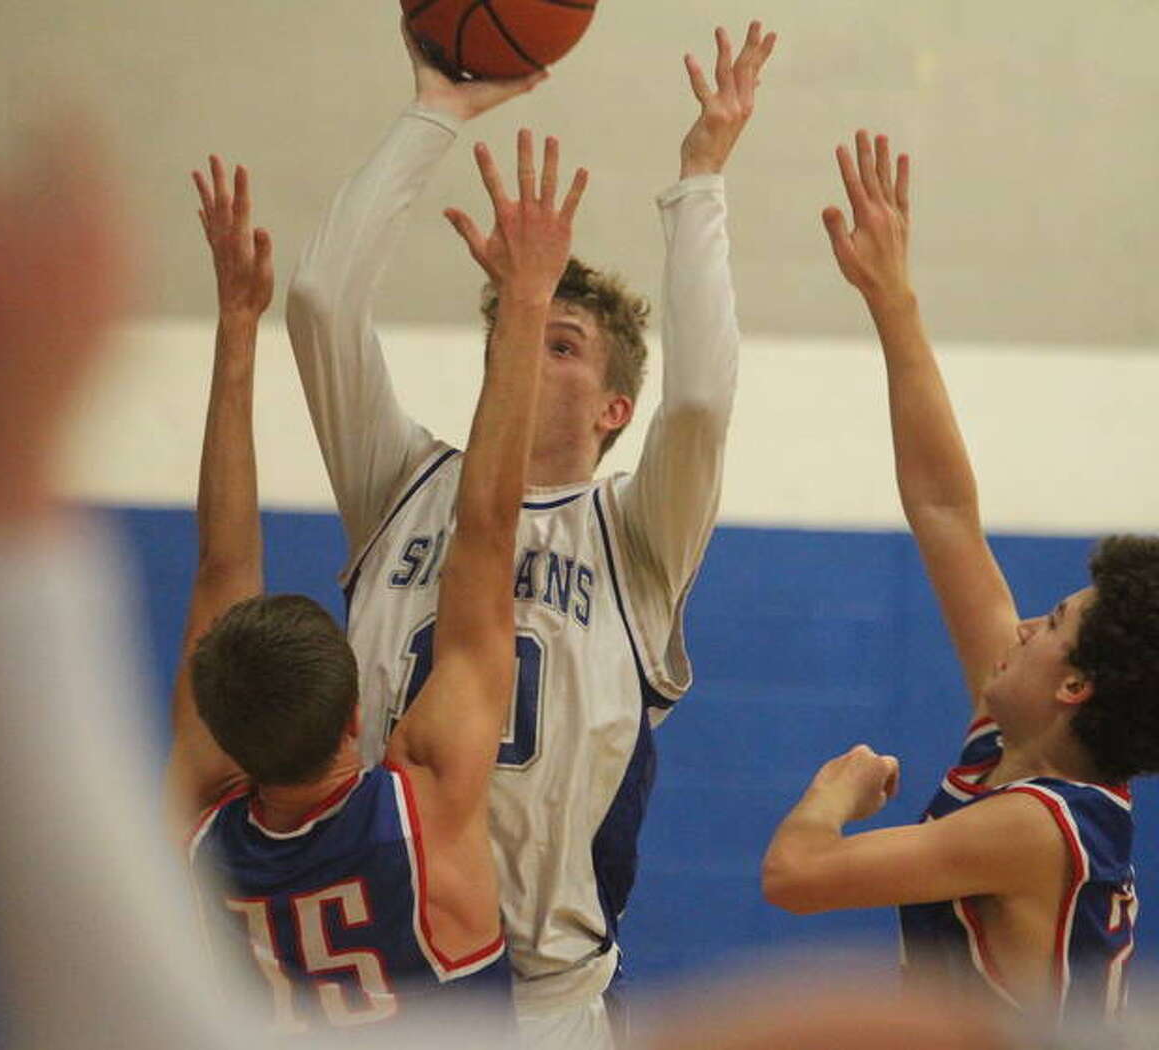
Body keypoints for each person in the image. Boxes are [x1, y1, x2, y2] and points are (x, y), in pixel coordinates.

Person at [286, 20, 776, 1045]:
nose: (522, 341)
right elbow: (323, 303)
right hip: (382, 980)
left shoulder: (634, 534)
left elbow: (699, 403)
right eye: (516, 329)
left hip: (539, 999)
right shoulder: (400, 484)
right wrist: (434, 112)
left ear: (612, 408)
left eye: (560, 341)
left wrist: (700, 180)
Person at [168, 135, 585, 1039]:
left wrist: (238, 332)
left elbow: (221, 570)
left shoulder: (196, 836)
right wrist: (525, 305)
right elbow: (487, 535)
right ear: (359, 714)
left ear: (222, 735)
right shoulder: (421, 809)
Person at [762, 130, 1159, 1022]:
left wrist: (832, 795)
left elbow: (795, 873)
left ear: (1074, 686)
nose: (1025, 625)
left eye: (1053, 622)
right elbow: (944, 511)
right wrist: (893, 301)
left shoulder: (1033, 825)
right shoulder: (1015, 744)